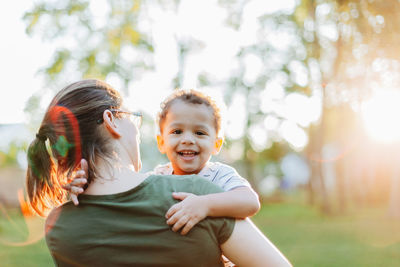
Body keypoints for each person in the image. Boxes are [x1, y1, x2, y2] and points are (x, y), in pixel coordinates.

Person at [26, 79, 291, 266]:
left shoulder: (59, 226)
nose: (187, 140)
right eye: (131, 117)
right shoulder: (190, 194)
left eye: (199, 133)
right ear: (111, 121)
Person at [69, 89, 260, 236]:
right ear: (161, 142)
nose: (188, 139)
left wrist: (205, 204)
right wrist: (86, 188)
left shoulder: (219, 175)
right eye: (177, 132)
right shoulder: (156, 178)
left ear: (216, 144)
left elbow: (250, 202)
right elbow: (122, 199)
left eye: (199, 133)